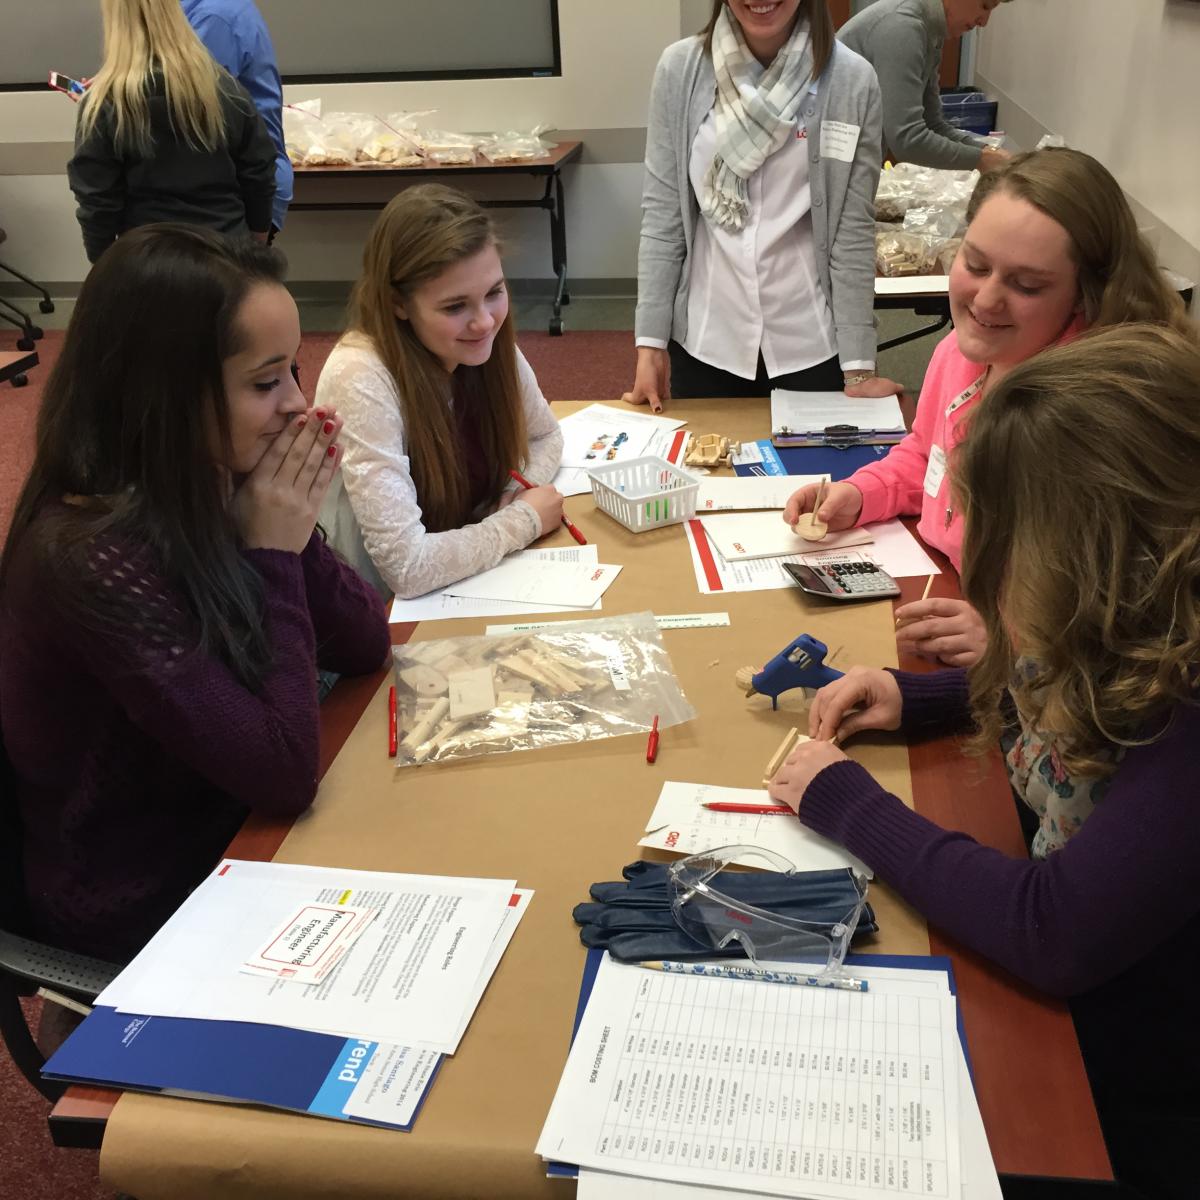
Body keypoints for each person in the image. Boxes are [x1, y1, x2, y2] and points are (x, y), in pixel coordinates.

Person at [767, 323, 1200, 1200]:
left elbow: (1056, 931)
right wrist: (919, 696)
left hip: (1145, 1074)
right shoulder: (1141, 617)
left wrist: (851, 805)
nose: (991, 586)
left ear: (1113, 560)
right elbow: (1053, 682)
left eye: (1010, 554)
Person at [0, 225, 389, 964]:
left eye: (294, 373)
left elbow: (365, 641)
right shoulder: (88, 559)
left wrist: (292, 525)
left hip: (235, 831)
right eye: (266, 382)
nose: (299, 406)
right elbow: (282, 773)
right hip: (148, 903)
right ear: (165, 396)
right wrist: (273, 548)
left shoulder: (201, 479)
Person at [783, 146, 1190, 666]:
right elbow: (925, 454)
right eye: (974, 264)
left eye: (1026, 285)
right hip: (941, 587)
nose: (986, 300)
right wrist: (861, 493)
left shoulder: (1088, 419)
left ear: (1086, 295)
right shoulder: (960, 351)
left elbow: (1124, 606)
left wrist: (1012, 639)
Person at [625, 0, 898, 412]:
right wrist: (650, 343)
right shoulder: (680, 70)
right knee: (711, 472)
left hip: (808, 339)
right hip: (707, 338)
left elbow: (851, 229)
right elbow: (663, 217)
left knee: (810, 477)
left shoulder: (851, 80)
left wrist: (859, 365)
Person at [316, 184, 565, 601]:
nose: (485, 322)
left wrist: (514, 492)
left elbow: (546, 436)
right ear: (399, 304)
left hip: (460, 576)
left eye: (494, 293)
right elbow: (407, 568)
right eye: (455, 307)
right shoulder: (360, 374)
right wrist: (522, 520)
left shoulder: (484, 342)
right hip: (375, 608)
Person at [68, 0, 275, 263]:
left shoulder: (105, 104)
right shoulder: (225, 89)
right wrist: (255, 244)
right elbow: (259, 172)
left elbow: (97, 201)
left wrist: (103, 266)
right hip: (227, 256)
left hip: (150, 262)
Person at [837, 0, 1012, 172]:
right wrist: (980, 160)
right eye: (984, 6)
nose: (984, 21)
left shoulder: (929, 30)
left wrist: (987, 152)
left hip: (851, 162)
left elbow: (933, 124)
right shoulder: (903, 28)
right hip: (830, 161)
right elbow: (907, 140)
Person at [182, 0, 293, 237]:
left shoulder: (214, 17)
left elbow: (187, 101)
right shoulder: (199, 11)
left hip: (240, 193)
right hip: (226, 188)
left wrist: (117, 93)